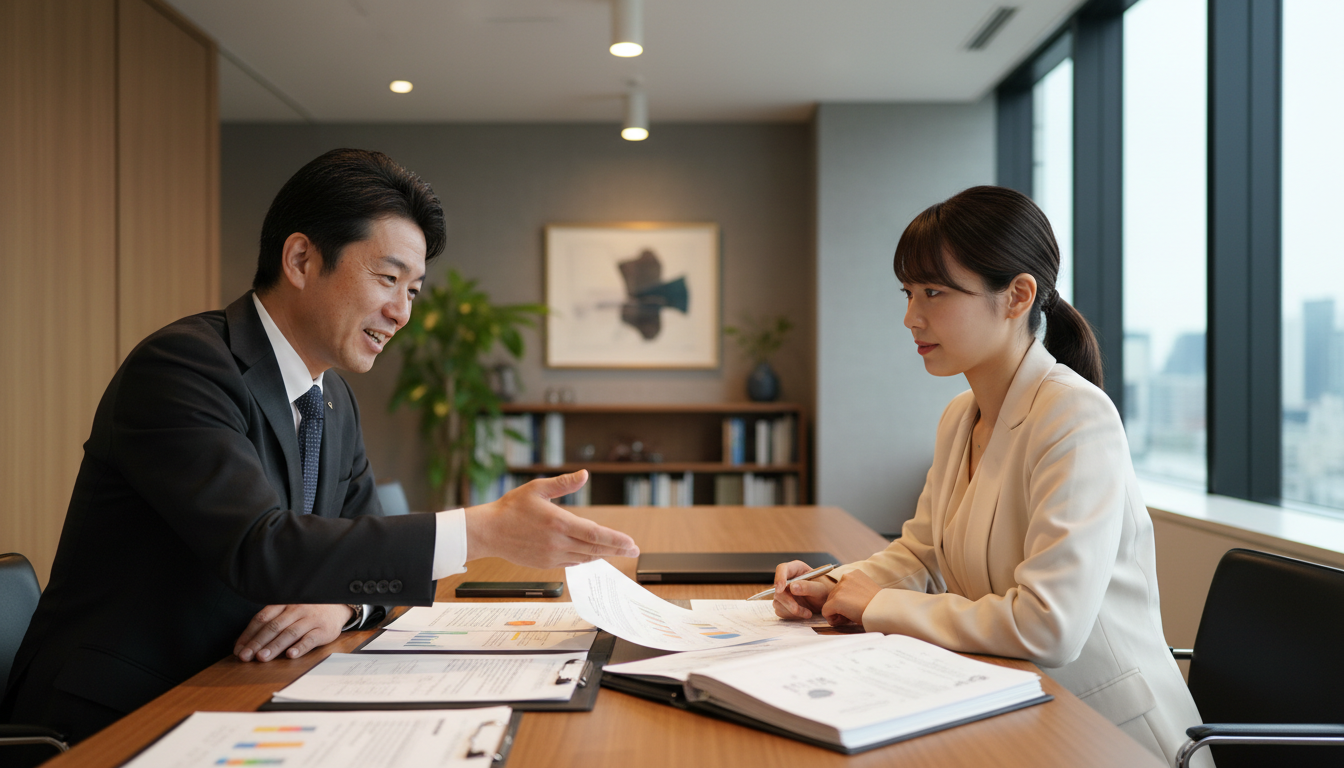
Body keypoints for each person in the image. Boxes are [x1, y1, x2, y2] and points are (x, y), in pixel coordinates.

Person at [1, 149, 639, 748]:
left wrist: (344, 601)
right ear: (302, 259)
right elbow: (265, 547)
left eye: (413, 290)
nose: (401, 313)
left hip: (241, 689)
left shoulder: (329, 401)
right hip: (121, 711)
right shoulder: (183, 367)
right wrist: (484, 530)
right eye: (388, 278)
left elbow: (371, 543)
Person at [772, 186, 1209, 768]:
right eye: (907, 292)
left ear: (1017, 296)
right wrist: (833, 584)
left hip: (1108, 736)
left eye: (933, 292)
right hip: (1017, 710)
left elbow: (1048, 627)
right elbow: (923, 554)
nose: (910, 317)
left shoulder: (1076, 417)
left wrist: (875, 604)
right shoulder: (962, 414)